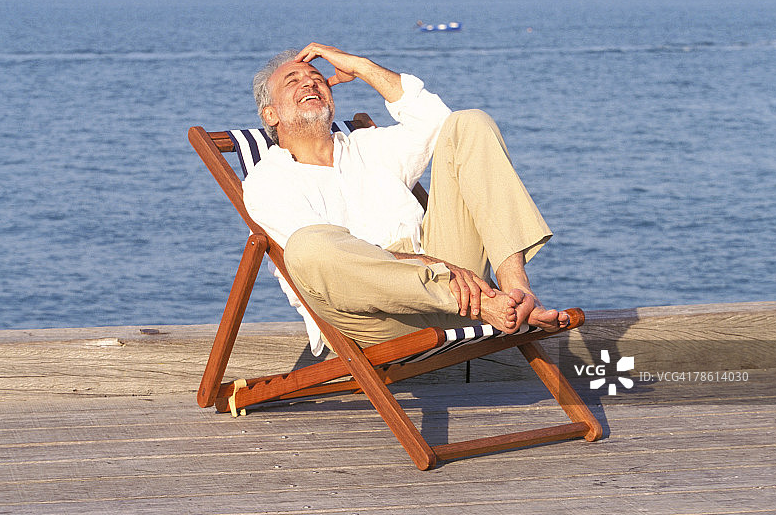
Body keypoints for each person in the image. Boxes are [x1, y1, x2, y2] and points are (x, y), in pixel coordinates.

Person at [243, 43, 569, 354]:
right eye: (293, 80)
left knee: (469, 123)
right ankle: (489, 303)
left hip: (455, 287)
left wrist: (362, 66)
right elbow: (323, 267)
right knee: (307, 246)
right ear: (270, 114)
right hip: (375, 316)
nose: (310, 82)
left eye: (317, 78)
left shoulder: (367, 146)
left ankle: (516, 291)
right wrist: (438, 269)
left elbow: (436, 121)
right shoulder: (266, 181)